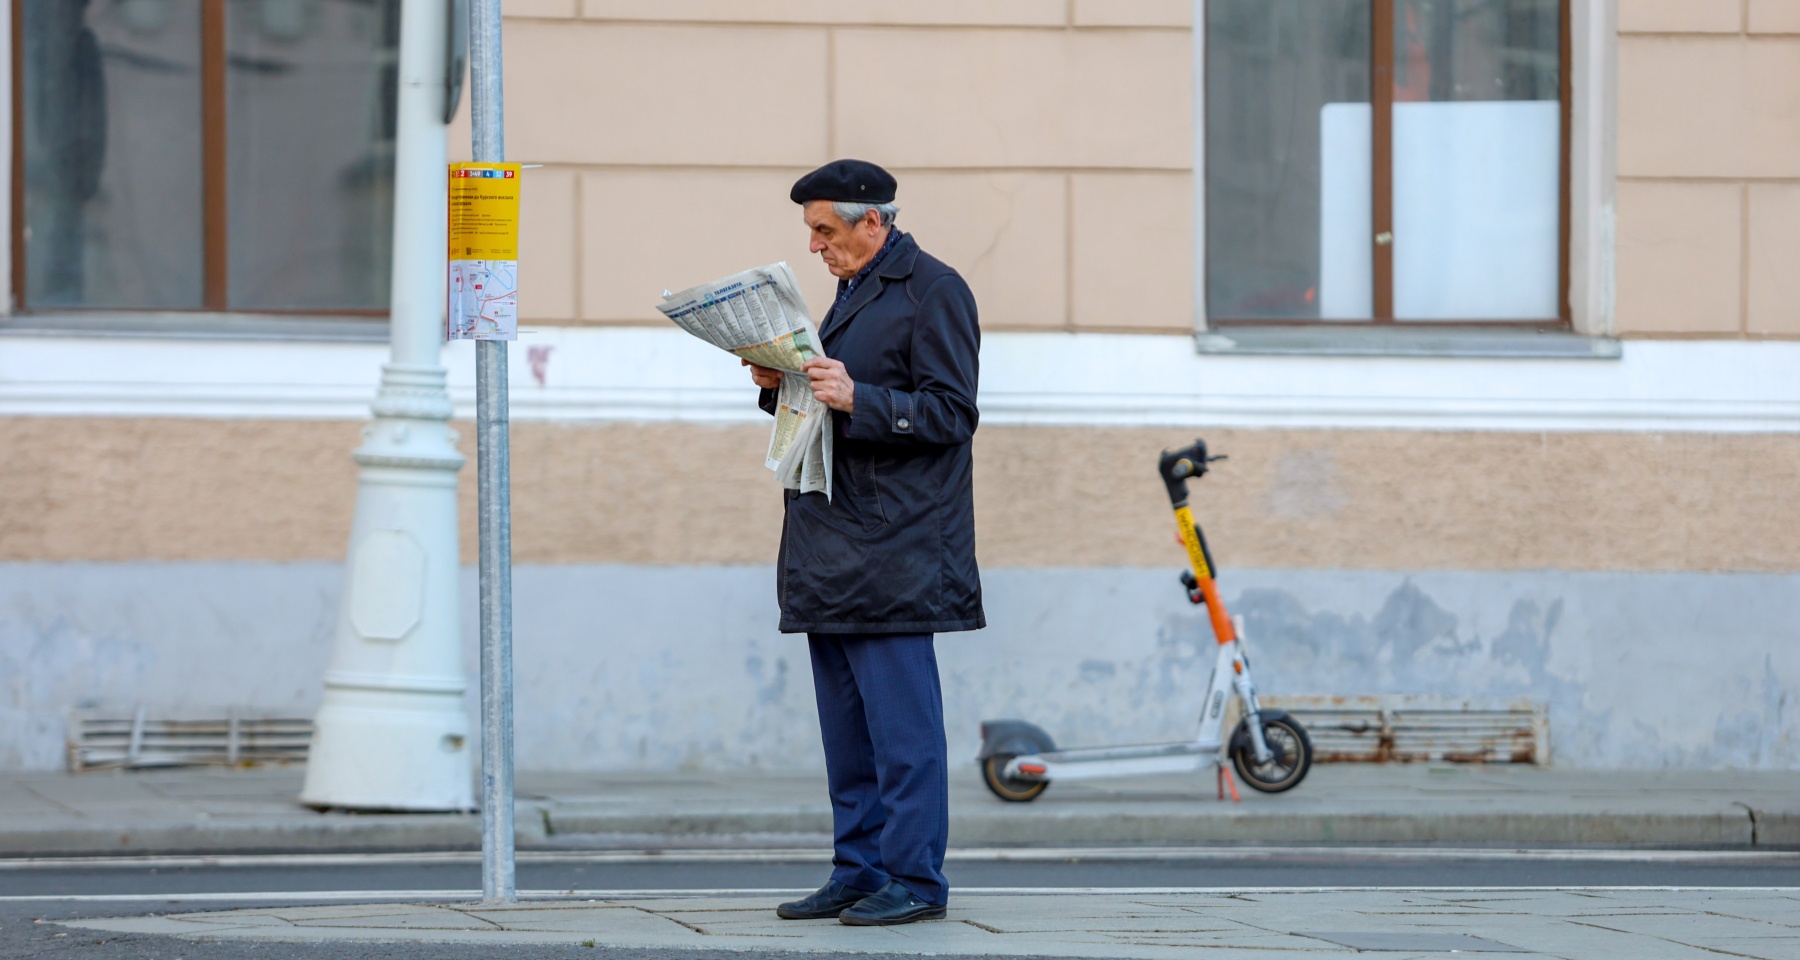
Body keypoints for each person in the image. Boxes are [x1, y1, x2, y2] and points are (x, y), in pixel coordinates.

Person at [744, 159, 982, 927]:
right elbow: (832, 401)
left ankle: (915, 881)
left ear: (872, 221)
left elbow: (952, 413)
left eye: (825, 229)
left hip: (898, 550)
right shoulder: (854, 290)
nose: (815, 246)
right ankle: (858, 869)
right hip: (834, 544)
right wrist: (778, 382)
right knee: (848, 737)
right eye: (810, 231)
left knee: (903, 736)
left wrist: (863, 398)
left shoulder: (935, 290)